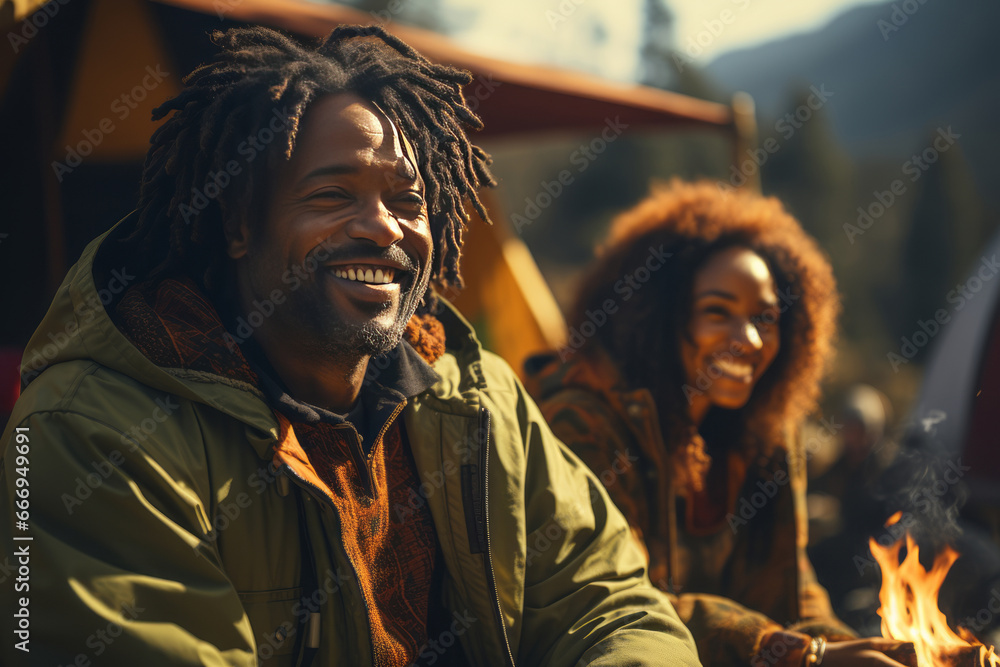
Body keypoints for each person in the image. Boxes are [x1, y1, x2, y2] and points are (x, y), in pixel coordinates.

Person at [0, 27, 701, 666]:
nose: (384, 228)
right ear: (239, 224)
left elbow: (613, 603)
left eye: (408, 200)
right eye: (334, 194)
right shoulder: (91, 434)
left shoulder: (480, 404)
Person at [525, 180, 914, 667]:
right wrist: (800, 655)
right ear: (658, 317)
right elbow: (618, 605)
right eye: (717, 312)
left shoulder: (766, 431)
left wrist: (851, 647)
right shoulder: (581, 421)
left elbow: (789, 587)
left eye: (766, 317)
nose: (748, 339)